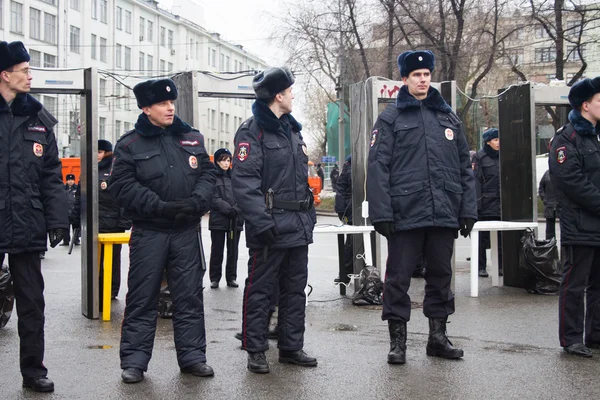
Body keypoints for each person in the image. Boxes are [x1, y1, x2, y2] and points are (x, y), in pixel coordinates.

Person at [367, 50, 477, 365]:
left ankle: (438, 338)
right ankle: (398, 343)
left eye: (427, 74)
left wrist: (468, 209)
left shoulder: (448, 117)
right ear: (405, 79)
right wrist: (382, 213)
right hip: (405, 214)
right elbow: (377, 167)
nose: (423, 79)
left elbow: (463, 168)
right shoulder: (390, 117)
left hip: (443, 212)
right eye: (416, 75)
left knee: (442, 276)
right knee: (398, 279)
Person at [108, 78, 216, 382]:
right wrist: (157, 205)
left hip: (185, 231)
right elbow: (121, 186)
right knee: (142, 298)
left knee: (189, 297)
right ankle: (134, 362)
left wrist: (197, 201)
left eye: (171, 103)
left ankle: (193, 357)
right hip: (149, 232)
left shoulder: (192, 138)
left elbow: (208, 174)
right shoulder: (129, 144)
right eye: (161, 104)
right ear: (146, 108)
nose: (169, 108)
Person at [232, 66, 317, 374]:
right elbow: (244, 183)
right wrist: (262, 222)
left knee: (295, 290)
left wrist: (309, 216)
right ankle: (255, 349)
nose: (294, 95)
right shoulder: (252, 131)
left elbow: (300, 180)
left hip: (297, 225)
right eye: (290, 91)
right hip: (270, 227)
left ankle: (291, 347)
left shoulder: (293, 131)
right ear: (278, 95)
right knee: (260, 290)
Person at [0, 40, 68, 393]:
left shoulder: (39, 120)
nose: (30, 76)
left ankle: (33, 371)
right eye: (25, 70)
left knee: (32, 303)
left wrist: (58, 219)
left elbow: (51, 175)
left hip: (27, 221)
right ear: (5, 75)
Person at [549, 77, 600, 358]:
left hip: (597, 222)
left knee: (598, 284)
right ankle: (571, 338)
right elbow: (572, 180)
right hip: (580, 223)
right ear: (585, 105)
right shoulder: (566, 138)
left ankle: (595, 334)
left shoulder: (596, 136)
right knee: (574, 283)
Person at [71, 140, 130, 300]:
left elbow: (124, 197)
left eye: (100, 152)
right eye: (95, 152)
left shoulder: (116, 170)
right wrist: (75, 219)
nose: (96, 155)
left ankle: (111, 290)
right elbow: (79, 197)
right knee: (93, 259)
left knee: (112, 260)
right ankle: (95, 289)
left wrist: (124, 222)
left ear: (108, 153)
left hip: (113, 225)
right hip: (92, 224)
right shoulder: (88, 170)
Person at [209, 148, 244, 289]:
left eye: (228, 160)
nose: (226, 163)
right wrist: (227, 209)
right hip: (219, 219)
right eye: (223, 160)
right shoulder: (212, 177)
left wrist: (236, 209)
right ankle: (215, 278)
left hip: (235, 219)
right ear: (217, 161)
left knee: (233, 251)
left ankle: (231, 277)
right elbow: (212, 197)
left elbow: (243, 195)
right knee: (217, 250)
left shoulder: (235, 177)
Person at [473, 128, 501, 278]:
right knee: (482, 239)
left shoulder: (503, 156)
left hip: (500, 204)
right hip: (485, 204)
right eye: (496, 140)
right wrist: (477, 205)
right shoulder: (479, 157)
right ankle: (480, 267)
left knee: (501, 239)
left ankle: (501, 266)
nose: (498, 143)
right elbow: (476, 182)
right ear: (488, 141)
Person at [334, 155, 354, 284]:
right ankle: (346, 273)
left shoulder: (348, 166)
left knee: (351, 241)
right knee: (352, 241)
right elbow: (340, 189)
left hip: (351, 208)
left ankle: (345, 273)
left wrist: (340, 210)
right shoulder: (349, 166)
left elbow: (340, 189)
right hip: (353, 208)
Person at [539, 169, 559, 240]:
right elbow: (541, 187)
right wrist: (544, 198)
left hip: (561, 205)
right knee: (549, 229)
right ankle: (550, 247)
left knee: (565, 229)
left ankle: (565, 249)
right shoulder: (547, 173)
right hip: (549, 205)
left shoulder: (563, 171)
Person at [61, 174, 78, 246]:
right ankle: (66, 241)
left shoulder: (77, 188)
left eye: (72, 180)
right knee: (65, 227)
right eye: (69, 180)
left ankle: (76, 240)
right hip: (65, 210)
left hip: (74, 210)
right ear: (66, 181)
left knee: (76, 226)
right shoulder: (63, 188)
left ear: (74, 180)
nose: (70, 181)